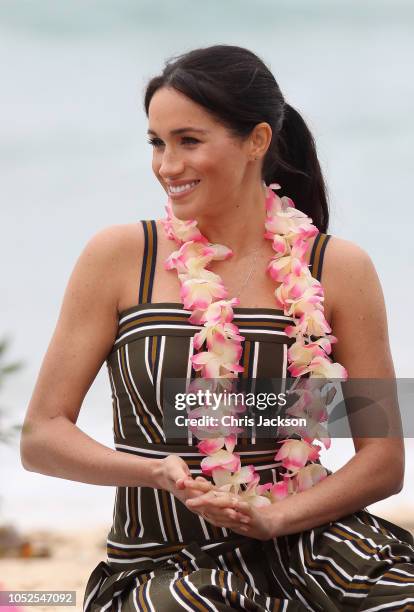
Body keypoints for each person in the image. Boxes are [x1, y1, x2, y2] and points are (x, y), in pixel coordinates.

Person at [20, 44, 414, 611]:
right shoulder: (120, 256)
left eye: (189, 141)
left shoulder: (338, 269)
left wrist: (278, 517)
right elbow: (41, 436)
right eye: (157, 142)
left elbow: (383, 457)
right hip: (164, 564)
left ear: (256, 142)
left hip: (316, 547)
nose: (166, 166)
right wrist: (156, 472)